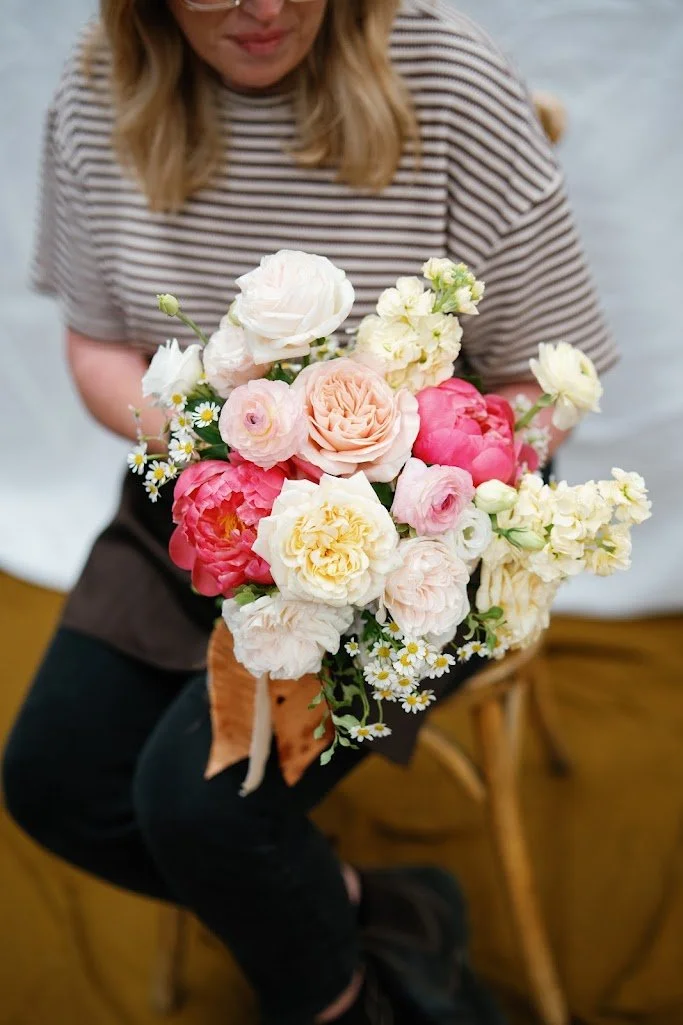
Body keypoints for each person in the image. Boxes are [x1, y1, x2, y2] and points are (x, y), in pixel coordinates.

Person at [1, 1, 617, 1022]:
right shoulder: (98, 85)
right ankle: (375, 904)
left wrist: (396, 489)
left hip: (428, 525)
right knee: (52, 783)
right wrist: (227, 456)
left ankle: (346, 1003)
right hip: (210, 501)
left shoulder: (451, 79)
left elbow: (537, 385)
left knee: (197, 805)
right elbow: (97, 346)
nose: (263, 6)